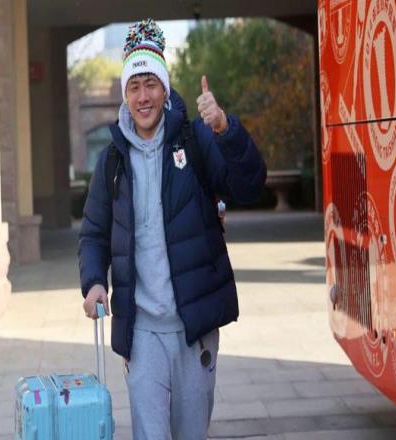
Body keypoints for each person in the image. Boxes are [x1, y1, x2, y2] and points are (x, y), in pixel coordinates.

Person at [79, 18, 266, 440]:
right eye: (134, 86)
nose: (143, 96)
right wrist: (93, 282)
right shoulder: (112, 161)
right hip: (141, 332)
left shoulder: (196, 140)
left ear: (165, 88)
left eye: (151, 83)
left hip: (193, 329)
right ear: (125, 95)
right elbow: (93, 234)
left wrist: (225, 130)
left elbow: (250, 187)